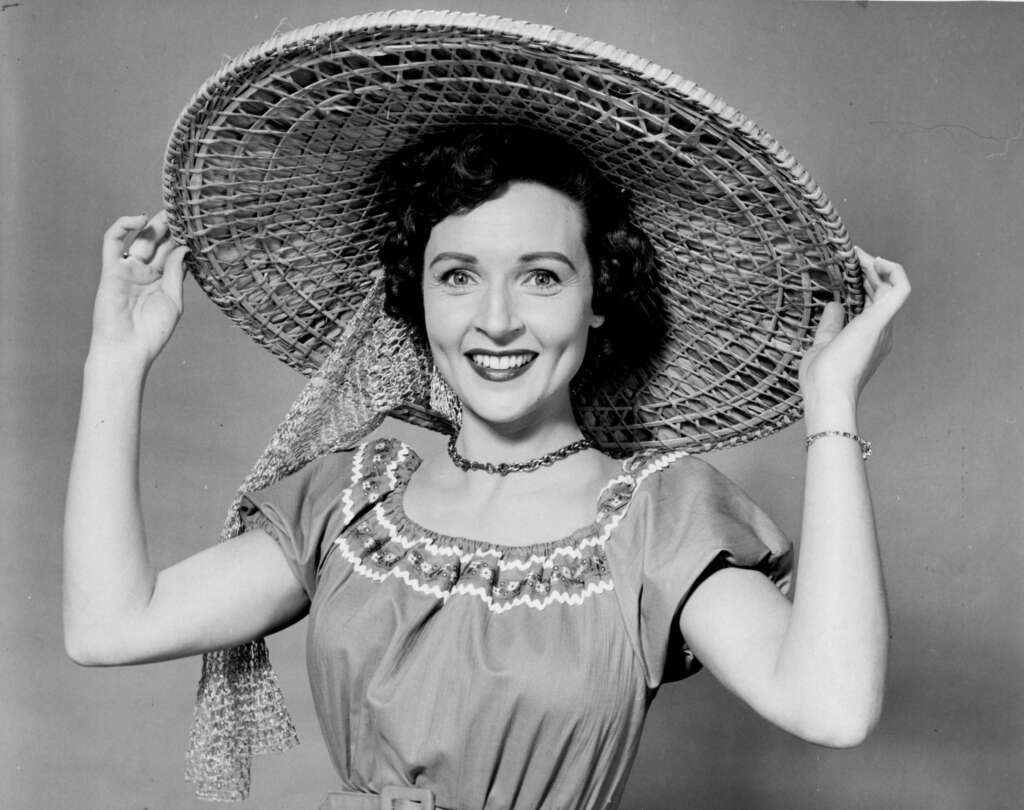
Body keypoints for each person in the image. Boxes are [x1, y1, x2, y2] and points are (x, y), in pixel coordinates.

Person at [63, 13, 910, 810]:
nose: (495, 319)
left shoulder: (662, 515)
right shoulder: (348, 500)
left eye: (541, 276)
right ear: (418, 297)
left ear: (598, 300)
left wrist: (829, 407)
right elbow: (108, 626)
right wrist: (117, 359)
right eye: (458, 275)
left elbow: (830, 706)